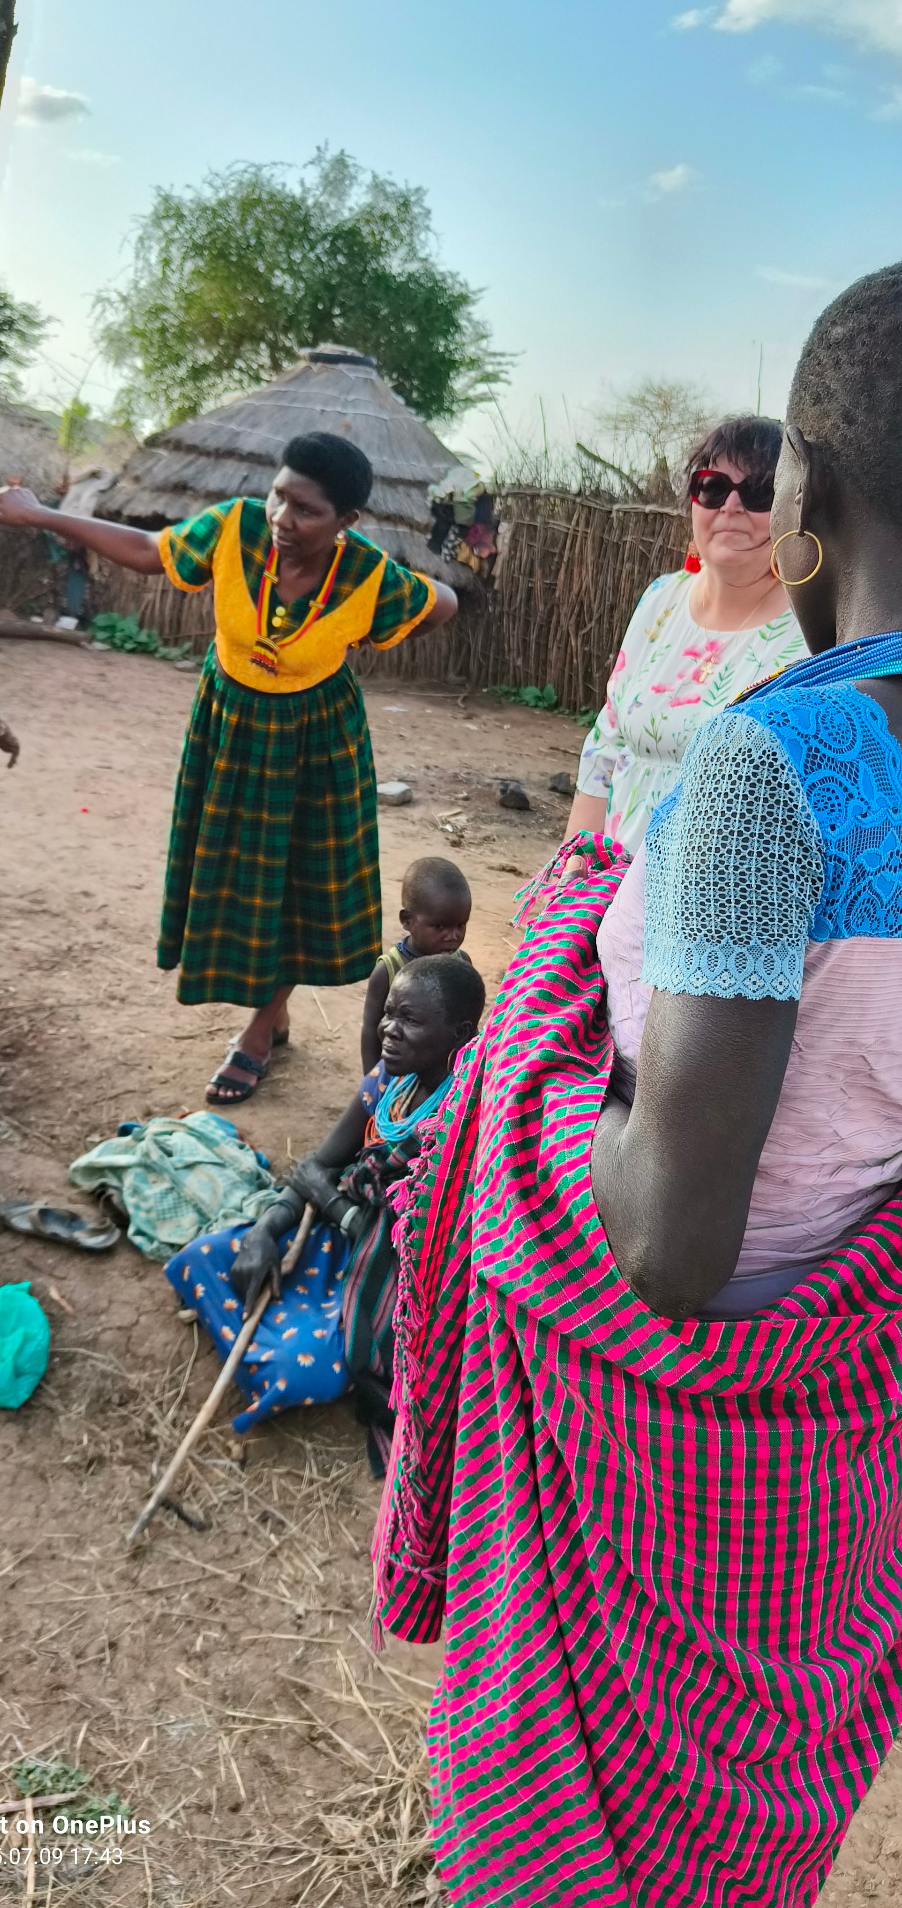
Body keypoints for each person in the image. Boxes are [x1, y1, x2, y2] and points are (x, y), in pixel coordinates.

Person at [374, 266, 902, 1908]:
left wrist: (526, 1077)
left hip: (666, 1447)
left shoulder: (785, 771)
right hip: (820, 1495)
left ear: (805, 500)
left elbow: (671, 1236)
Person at [0, 433, 457, 1104]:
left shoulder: (369, 576)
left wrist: (386, 618)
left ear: (346, 521)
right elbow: (153, 552)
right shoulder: (233, 528)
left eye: (305, 510)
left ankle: (259, 1031)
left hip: (317, 740)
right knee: (242, 881)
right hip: (232, 725)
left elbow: (443, 603)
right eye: (279, 496)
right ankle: (273, 1012)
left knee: (293, 884)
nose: (281, 518)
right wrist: (40, 514)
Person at [165, 953, 484, 1473]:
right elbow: (321, 1163)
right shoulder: (389, 1082)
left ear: (461, 1034)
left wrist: (329, 1199)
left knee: (301, 1374)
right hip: (343, 1236)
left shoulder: (464, 1121)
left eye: (410, 1020)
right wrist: (268, 1228)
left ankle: (309, 1341)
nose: (388, 1029)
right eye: (389, 1012)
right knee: (202, 1258)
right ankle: (285, 1318)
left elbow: (421, 1250)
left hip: (391, 1279)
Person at [563, 415, 806, 854]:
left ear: (791, 507)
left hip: (715, 905)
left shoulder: (808, 632)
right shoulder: (661, 599)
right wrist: (573, 879)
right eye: (713, 487)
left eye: (758, 492)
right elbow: (604, 746)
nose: (730, 507)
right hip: (609, 889)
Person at [360, 856, 472, 1071]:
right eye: (440, 927)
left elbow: (467, 1024)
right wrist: (372, 1079)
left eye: (460, 925)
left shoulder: (460, 964)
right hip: (397, 1072)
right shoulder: (388, 970)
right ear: (407, 920)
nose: (453, 936)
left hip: (442, 1074)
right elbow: (371, 1029)